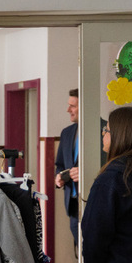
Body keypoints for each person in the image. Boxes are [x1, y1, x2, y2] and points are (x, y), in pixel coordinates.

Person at [81, 106, 132, 263]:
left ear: (121, 135)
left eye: (107, 129)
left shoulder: (110, 180)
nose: (103, 134)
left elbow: (94, 239)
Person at [54, 89, 80, 244]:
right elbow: (60, 165)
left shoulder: (103, 130)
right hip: (73, 205)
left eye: (73, 106)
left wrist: (86, 173)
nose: (68, 110)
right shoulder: (66, 133)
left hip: (94, 203)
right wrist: (58, 177)